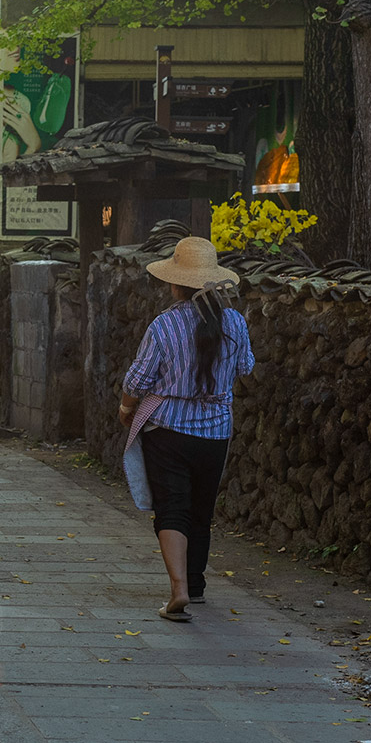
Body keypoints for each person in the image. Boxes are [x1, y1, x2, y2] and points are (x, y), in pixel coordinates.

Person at [119, 236, 254, 622]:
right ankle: (195, 587)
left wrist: (126, 408)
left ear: (176, 284)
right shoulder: (235, 322)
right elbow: (245, 367)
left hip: (168, 429)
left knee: (172, 509)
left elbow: (139, 378)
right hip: (215, 431)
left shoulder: (164, 326)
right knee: (200, 511)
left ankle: (177, 591)